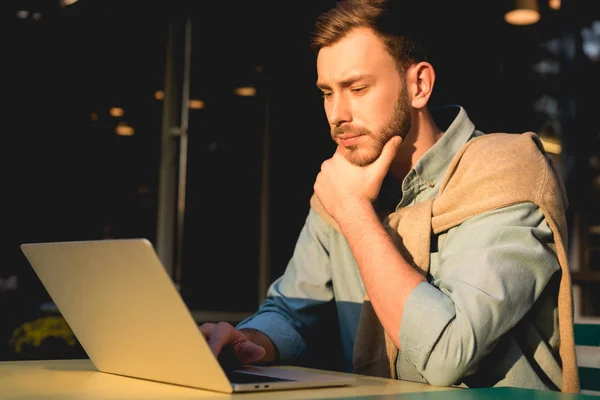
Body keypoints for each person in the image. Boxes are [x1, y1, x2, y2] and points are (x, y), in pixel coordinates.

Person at [200, 0, 580, 393]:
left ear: (419, 86)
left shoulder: (505, 170)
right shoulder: (346, 179)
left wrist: (353, 212)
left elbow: (449, 353)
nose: (337, 113)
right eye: (327, 92)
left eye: (358, 88)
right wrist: (250, 342)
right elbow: (293, 312)